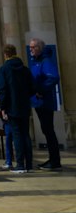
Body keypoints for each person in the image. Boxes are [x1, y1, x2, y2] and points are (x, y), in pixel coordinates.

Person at [0, 44, 34, 174]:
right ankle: (29, 164)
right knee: (25, 134)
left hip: (12, 107)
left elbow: (2, 90)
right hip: (25, 106)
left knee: (17, 135)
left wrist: (3, 107)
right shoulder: (25, 69)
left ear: (5, 55)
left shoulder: (3, 69)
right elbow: (31, 88)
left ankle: (20, 165)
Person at [27, 38, 62, 171]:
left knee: (48, 130)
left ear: (39, 48)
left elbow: (53, 77)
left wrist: (41, 90)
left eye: (33, 47)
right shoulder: (36, 61)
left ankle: (55, 160)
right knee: (46, 130)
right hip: (38, 101)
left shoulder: (45, 61)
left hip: (44, 101)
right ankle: (52, 158)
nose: (31, 50)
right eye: (30, 47)